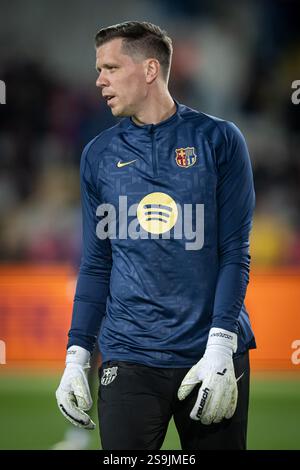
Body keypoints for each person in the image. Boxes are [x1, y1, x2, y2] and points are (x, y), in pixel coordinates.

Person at [55, 21, 256, 450]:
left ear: (149, 70)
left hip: (211, 355)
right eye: (98, 69)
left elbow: (234, 252)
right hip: (129, 356)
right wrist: (77, 355)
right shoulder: (98, 155)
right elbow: (96, 264)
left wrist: (221, 345)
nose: (99, 80)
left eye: (110, 67)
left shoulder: (219, 140)